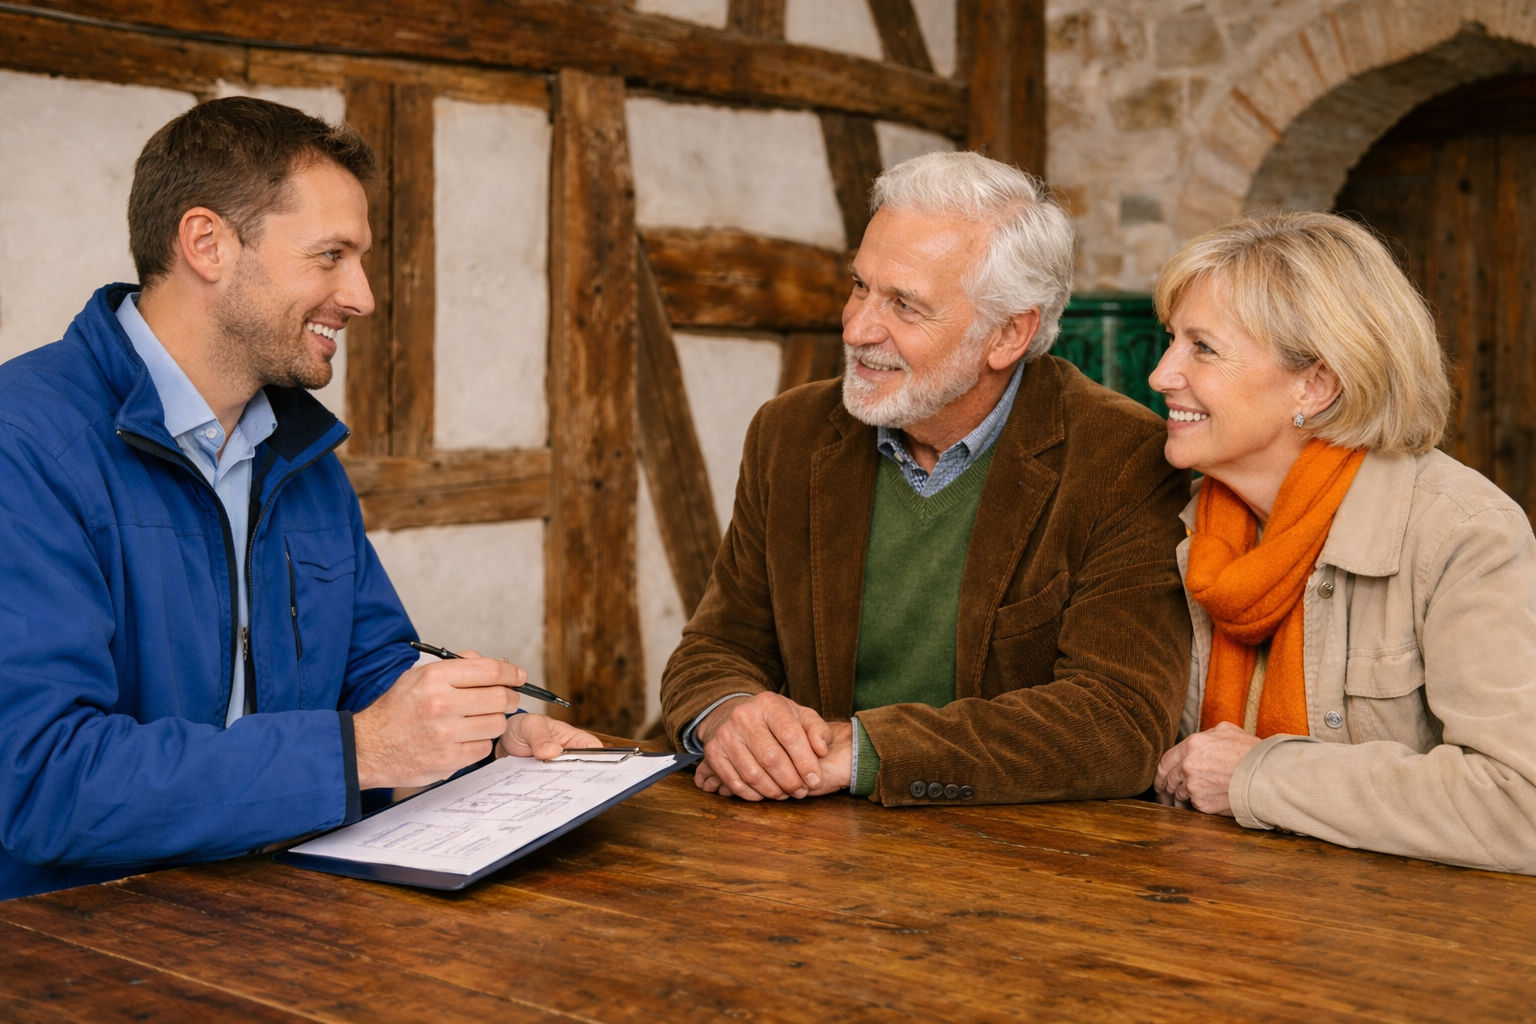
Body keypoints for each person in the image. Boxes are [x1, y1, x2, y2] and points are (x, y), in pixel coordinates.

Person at [0, 97, 597, 901]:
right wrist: (361, 753)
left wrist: (481, 738)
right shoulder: (26, 442)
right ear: (207, 243)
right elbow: (43, 780)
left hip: (288, 921)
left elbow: (370, 665)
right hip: (82, 948)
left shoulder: (299, 452)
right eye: (330, 256)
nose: (362, 296)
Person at [659, 150, 1191, 805]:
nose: (856, 328)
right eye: (860, 286)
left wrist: (862, 754)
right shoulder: (789, 433)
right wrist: (730, 716)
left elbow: (1117, 723)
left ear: (1008, 335)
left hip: (1031, 870)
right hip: (805, 856)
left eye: (905, 306)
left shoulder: (1121, 458)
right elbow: (715, 644)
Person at [1148, 210, 1536, 873]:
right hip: (1206, 922)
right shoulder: (1180, 525)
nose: (1161, 374)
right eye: (1172, 340)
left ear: (1317, 385)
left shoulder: (1461, 531)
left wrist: (1259, 778)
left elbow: (1521, 805)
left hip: (1402, 948)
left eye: (1202, 348)